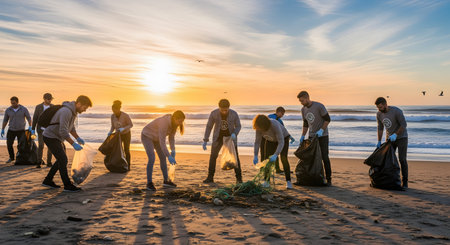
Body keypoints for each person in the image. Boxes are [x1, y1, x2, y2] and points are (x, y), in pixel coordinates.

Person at [41, 95, 92, 192]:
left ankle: (47, 180)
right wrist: (73, 144)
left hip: (56, 137)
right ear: (79, 104)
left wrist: (78, 138)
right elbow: (63, 131)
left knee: (61, 159)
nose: (85, 110)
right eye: (84, 108)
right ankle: (67, 185)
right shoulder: (66, 111)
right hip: (50, 137)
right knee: (63, 159)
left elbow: (71, 128)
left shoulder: (73, 112)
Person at [141, 110, 185, 191]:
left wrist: (173, 150)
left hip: (156, 138)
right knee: (152, 158)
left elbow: (171, 138)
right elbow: (162, 141)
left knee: (163, 158)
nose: (180, 123)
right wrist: (168, 155)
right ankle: (149, 183)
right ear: (175, 118)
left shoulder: (174, 125)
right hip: (147, 136)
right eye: (179, 121)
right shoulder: (164, 122)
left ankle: (166, 181)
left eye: (182, 121)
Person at [202, 99, 242, 184]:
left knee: (236, 157)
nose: (224, 112)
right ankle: (210, 177)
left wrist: (235, 133)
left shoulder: (234, 114)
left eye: (226, 110)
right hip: (218, 138)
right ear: (219, 108)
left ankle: (239, 179)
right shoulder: (214, 113)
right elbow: (209, 126)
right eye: (222, 110)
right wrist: (205, 140)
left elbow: (238, 126)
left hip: (230, 138)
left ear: (229, 108)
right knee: (213, 157)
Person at [297, 91, 332, 186]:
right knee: (311, 158)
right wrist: (303, 135)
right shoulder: (303, 110)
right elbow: (305, 124)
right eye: (300, 101)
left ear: (307, 97)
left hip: (323, 136)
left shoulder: (319, 106)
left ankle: (328, 179)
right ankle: (314, 177)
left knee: (324, 157)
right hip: (312, 136)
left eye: (302, 100)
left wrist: (321, 130)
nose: (301, 103)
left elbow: (328, 119)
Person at [375, 97, 408, 188]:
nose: (380, 109)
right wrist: (379, 141)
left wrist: (395, 135)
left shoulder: (396, 111)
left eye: (381, 107)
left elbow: (403, 125)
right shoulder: (379, 114)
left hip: (402, 138)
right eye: (378, 108)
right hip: (389, 139)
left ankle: (405, 182)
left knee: (402, 159)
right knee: (389, 160)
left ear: (385, 104)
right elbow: (380, 128)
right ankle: (391, 180)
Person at [253, 114, 293, 189]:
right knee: (266, 159)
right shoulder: (258, 127)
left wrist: (276, 155)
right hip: (270, 140)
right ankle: (267, 181)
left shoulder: (274, 124)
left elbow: (281, 142)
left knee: (283, 158)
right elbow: (257, 141)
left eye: (261, 128)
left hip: (283, 139)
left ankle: (288, 181)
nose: (260, 130)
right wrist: (255, 155)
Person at [1, 96, 32, 163]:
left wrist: (30, 126)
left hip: (21, 130)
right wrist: (2, 129)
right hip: (11, 130)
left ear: (17, 102)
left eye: (14, 103)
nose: (12, 105)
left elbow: (29, 118)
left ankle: (19, 158)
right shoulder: (8, 110)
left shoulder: (23, 109)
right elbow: (5, 120)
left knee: (20, 145)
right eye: (11, 103)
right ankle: (11, 158)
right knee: (9, 144)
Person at [265, 106, 295, 173]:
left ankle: (278, 169)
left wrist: (290, 137)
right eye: (282, 114)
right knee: (277, 155)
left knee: (275, 154)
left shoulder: (275, 118)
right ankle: (277, 169)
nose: (282, 115)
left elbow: (284, 130)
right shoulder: (272, 118)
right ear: (278, 112)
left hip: (274, 138)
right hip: (273, 139)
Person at [107, 100, 133, 170]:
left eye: (115, 110)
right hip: (118, 135)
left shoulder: (125, 115)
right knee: (118, 150)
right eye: (112, 111)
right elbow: (112, 126)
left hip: (126, 134)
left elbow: (131, 125)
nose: (114, 112)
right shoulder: (112, 116)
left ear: (118, 109)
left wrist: (123, 129)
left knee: (126, 150)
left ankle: (128, 166)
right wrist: (110, 132)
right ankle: (120, 164)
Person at [32, 93, 54, 168]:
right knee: (41, 145)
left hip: (50, 130)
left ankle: (49, 162)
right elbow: (35, 118)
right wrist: (32, 129)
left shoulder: (53, 107)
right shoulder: (38, 107)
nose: (50, 100)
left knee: (50, 146)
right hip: (41, 129)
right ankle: (38, 162)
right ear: (44, 99)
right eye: (48, 99)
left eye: (51, 99)